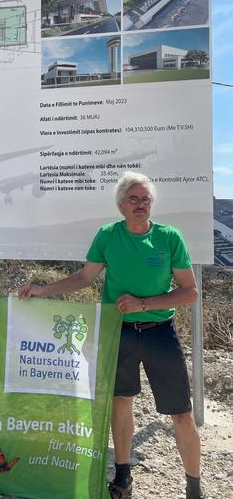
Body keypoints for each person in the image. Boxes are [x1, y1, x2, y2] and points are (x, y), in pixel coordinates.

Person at [19, 171, 204, 499]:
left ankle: (193, 487)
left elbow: (189, 292)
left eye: (146, 199)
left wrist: (143, 304)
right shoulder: (107, 236)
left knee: (181, 412)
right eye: (133, 199)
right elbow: (84, 278)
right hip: (118, 333)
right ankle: (123, 478)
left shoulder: (169, 237)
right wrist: (43, 290)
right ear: (121, 205)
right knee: (121, 403)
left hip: (160, 333)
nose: (140, 205)